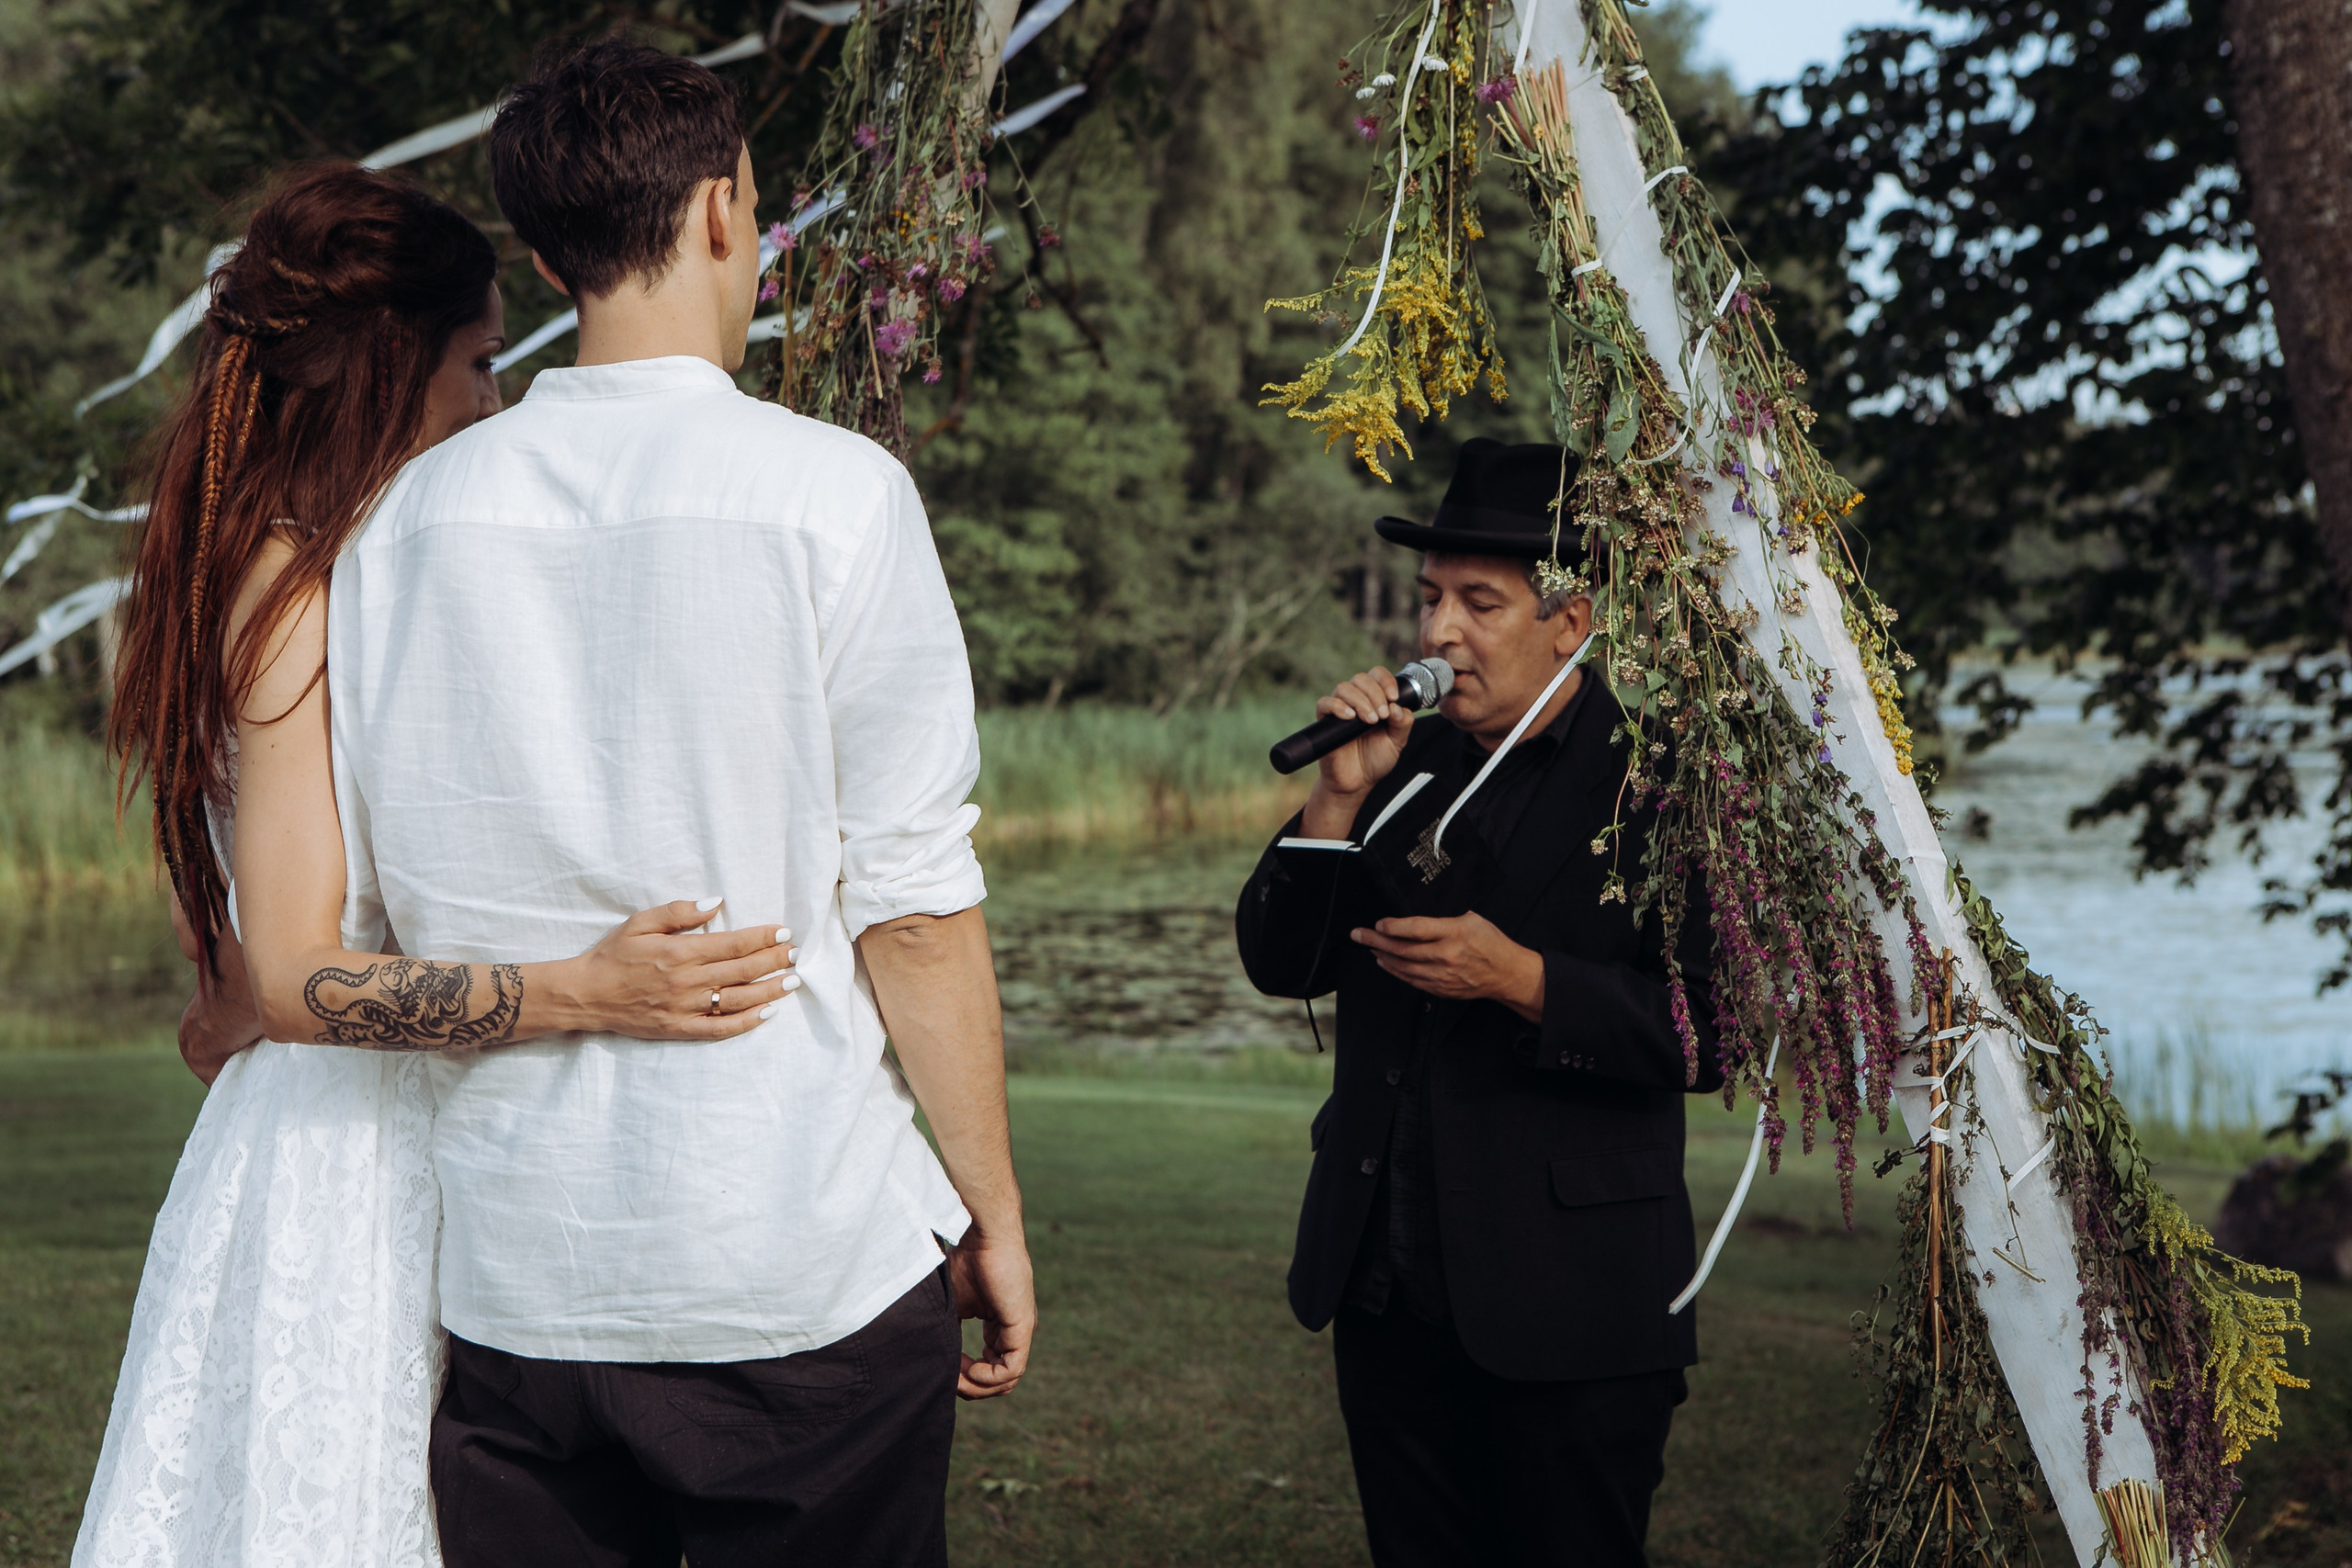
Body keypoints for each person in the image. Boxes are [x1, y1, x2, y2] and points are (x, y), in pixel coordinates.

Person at [307, 40, 1030, 1567]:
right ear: (723, 211)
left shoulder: (395, 533)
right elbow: (910, 905)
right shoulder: (837, 495)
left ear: (550, 248)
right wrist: (991, 1212)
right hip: (796, 1264)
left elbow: (357, 932)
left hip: (517, 1283)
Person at [82, 165, 795, 1567]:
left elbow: (227, 965)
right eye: (477, 362)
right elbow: (290, 974)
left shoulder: (308, 561)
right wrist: (589, 987)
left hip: (359, 1127)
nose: (494, 399)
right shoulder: (289, 591)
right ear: (394, 363)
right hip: (346, 1167)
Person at [1234, 438, 1723, 1568]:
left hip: (1573, 1307)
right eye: (1430, 599)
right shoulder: (1399, 764)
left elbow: (1717, 1033)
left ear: (1570, 621)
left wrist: (1527, 982)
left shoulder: (1662, 783)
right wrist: (1332, 802)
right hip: (1385, 1288)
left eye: (1478, 602)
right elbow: (1282, 961)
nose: (1437, 632)